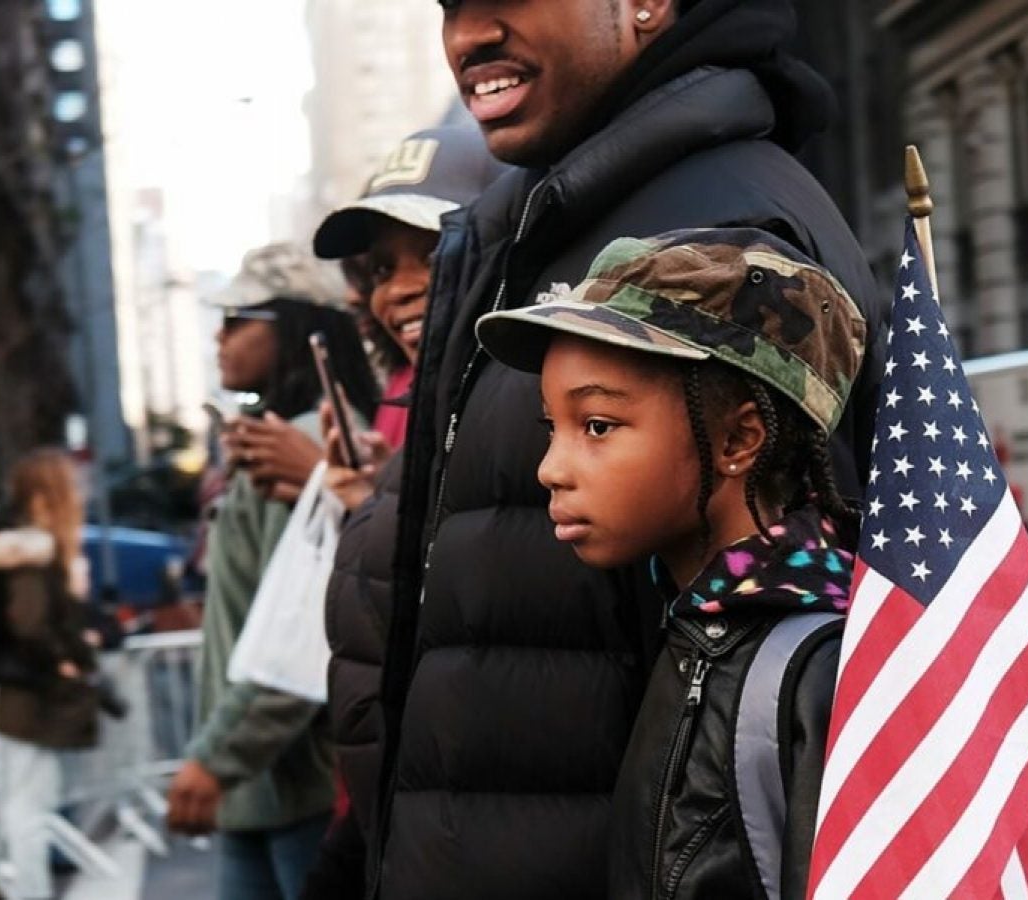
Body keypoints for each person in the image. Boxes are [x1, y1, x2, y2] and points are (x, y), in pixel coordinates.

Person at [344, 1, 888, 896]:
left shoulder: (725, 229)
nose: (466, 35)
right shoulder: (533, 221)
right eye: (448, 5)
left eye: (596, 426)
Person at [476, 228, 862, 897]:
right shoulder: (699, 626)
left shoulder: (817, 667)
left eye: (597, 426)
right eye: (552, 427)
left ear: (739, 438)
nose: (550, 469)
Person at [303, 127, 506, 896]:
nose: (401, 289)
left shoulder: (540, 410)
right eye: (382, 268)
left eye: (435, 248)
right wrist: (372, 502)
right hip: (386, 811)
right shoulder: (411, 408)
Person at [164, 242, 377, 900]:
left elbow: (304, 625)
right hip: (259, 785)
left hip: (299, 783)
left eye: (238, 318)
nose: (219, 337)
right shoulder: (273, 435)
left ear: (292, 327)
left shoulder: (312, 443)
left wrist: (215, 756)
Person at [0, 450, 99, 900]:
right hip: (29, 693)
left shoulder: (30, 544)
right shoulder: (35, 546)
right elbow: (30, 624)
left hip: (23, 691)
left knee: (25, 801)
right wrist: (61, 659)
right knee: (27, 806)